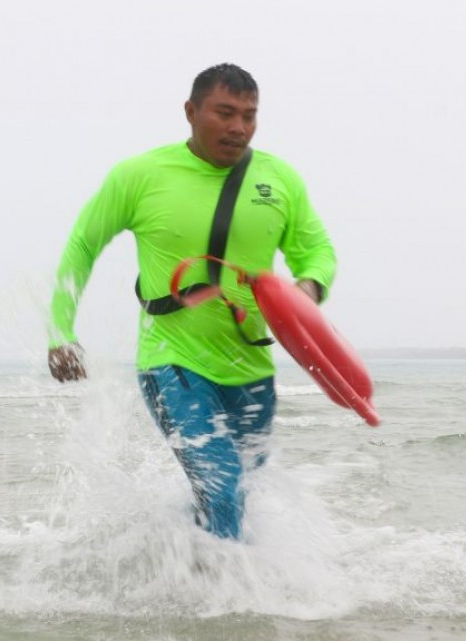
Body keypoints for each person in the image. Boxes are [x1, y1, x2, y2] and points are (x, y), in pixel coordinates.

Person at [47, 63, 337, 540]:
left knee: (237, 493)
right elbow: (82, 247)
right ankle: (229, 607)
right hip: (173, 363)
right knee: (223, 489)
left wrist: (309, 288)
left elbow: (318, 251)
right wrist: (61, 334)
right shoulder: (140, 175)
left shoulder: (278, 179)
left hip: (252, 367)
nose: (238, 127)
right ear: (191, 111)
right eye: (224, 113)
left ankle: (173, 560)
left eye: (249, 115)